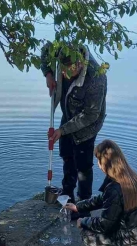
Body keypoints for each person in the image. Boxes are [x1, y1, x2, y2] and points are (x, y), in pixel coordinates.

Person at [40, 41, 107, 220]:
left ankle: (83, 206)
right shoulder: (63, 50)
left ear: (79, 65)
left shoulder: (96, 77)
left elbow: (91, 115)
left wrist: (63, 130)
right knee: (67, 155)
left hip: (87, 124)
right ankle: (67, 195)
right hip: (68, 114)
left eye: (66, 71)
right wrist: (47, 74)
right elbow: (45, 50)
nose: (62, 74)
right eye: (60, 69)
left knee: (83, 166)